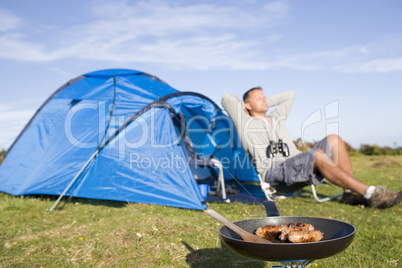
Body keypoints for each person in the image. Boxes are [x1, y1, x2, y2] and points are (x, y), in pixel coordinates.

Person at [222, 87, 401, 209]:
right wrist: (247, 109)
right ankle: (373, 193)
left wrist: (263, 101)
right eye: (257, 98)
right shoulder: (245, 122)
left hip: (296, 162)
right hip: (274, 173)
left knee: (334, 139)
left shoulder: (276, 118)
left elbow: (289, 95)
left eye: (264, 96)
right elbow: (227, 98)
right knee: (319, 155)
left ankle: (350, 193)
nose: (263, 99)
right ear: (247, 105)